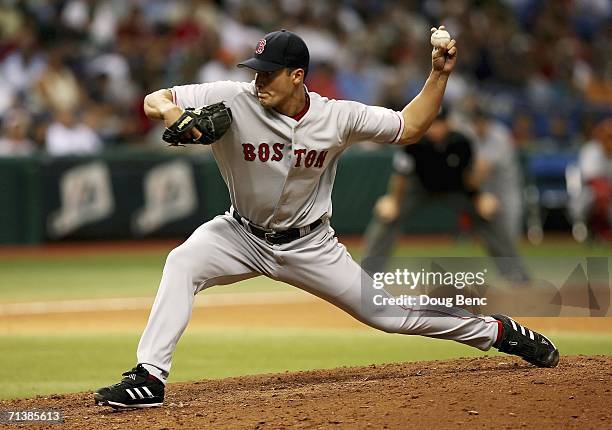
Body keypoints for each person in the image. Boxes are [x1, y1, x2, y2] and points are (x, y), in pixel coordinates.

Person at [94, 29, 558, 409]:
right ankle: (149, 377)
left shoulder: (338, 117)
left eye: (270, 75)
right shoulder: (233, 98)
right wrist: (176, 112)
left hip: (309, 244)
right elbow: (155, 99)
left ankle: (496, 330)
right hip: (239, 233)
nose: (259, 83)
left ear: (298, 76)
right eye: (256, 73)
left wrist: (437, 75)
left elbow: (410, 127)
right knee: (183, 262)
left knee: (387, 315)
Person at [361, 107, 530, 283]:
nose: (436, 128)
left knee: (490, 215)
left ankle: (515, 273)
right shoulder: (413, 140)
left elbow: (468, 177)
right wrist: (393, 200)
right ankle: (367, 275)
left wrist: (479, 197)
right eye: (432, 124)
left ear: (449, 123)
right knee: (387, 216)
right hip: (419, 188)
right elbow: (401, 175)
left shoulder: (461, 141)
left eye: (440, 123)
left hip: (455, 189)